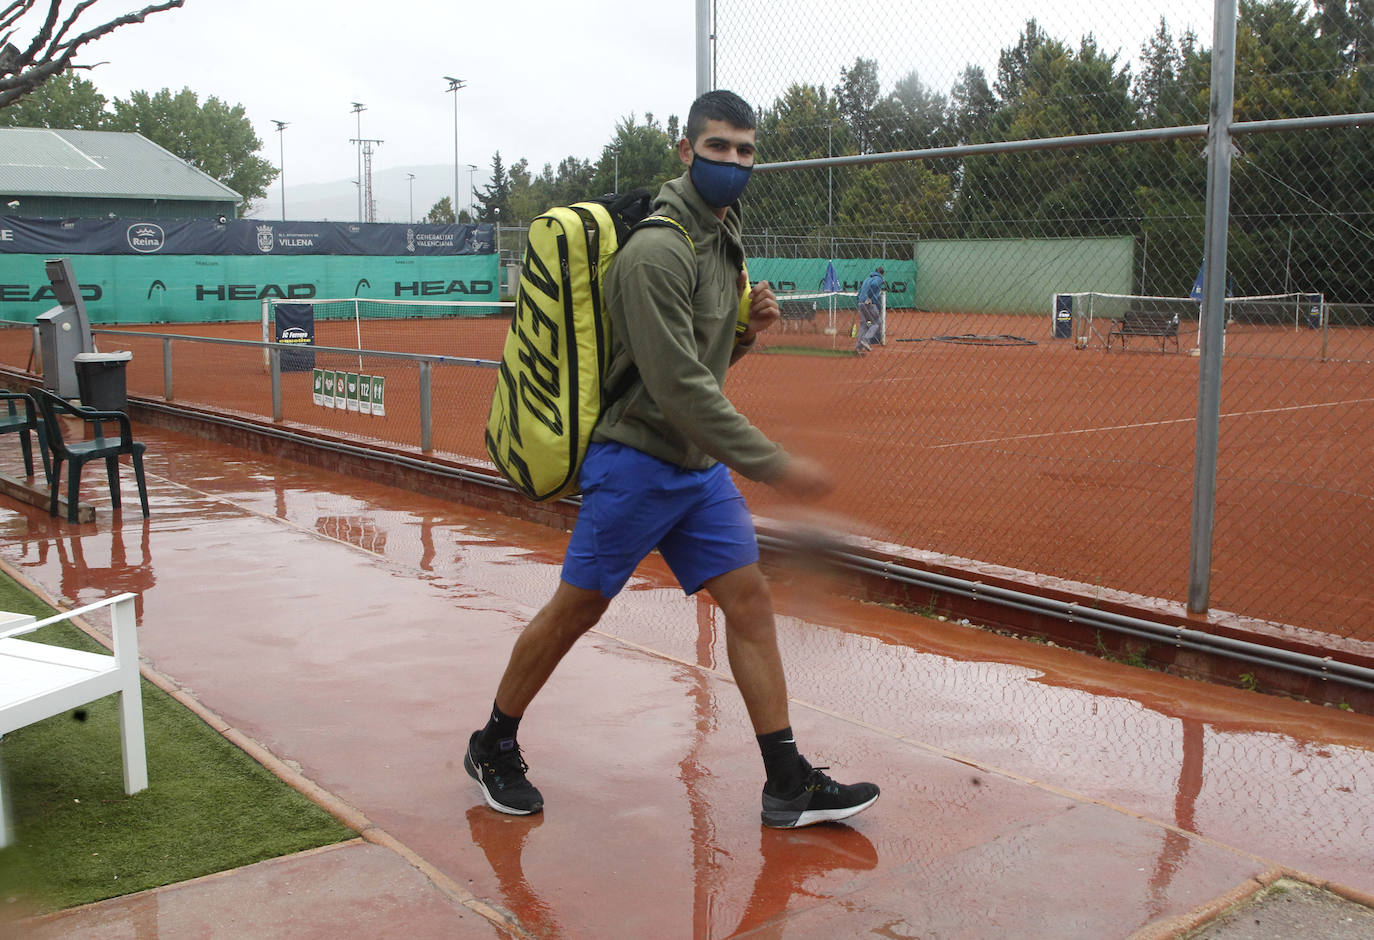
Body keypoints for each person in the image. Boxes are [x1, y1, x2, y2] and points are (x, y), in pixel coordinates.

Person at [465, 90, 879, 830]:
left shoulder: (723, 240)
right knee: (575, 612)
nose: (733, 162)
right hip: (634, 464)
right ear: (687, 152)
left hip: (694, 471)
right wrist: (776, 464)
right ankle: (492, 742)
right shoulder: (656, 251)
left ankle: (786, 781)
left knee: (749, 602)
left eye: (746, 151)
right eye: (718, 148)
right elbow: (680, 387)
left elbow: (704, 364)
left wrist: (747, 333)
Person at [855, 266, 885, 353]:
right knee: (876, 323)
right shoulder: (879, 279)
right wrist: (869, 298)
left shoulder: (867, 279)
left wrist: (861, 300)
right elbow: (874, 285)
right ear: (882, 273)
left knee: (863, 324)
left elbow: (860, 291)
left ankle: (859, 346)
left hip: (861, 302)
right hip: (869, 303)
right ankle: (865, 340)